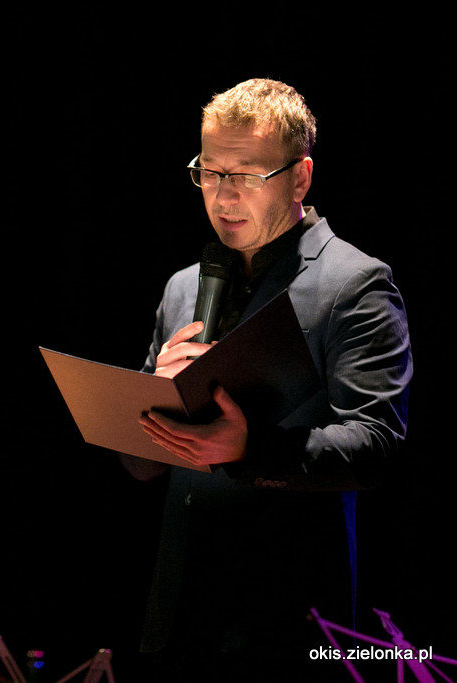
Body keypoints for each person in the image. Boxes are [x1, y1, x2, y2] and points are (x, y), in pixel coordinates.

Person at [119, 78, 412, 681]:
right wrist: (153, 404)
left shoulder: (354, 284)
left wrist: (248, 448)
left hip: (289, 618)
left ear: (300, 178)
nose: (223, 196)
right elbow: (141, 466)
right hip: (179, 618)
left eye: (247, 175)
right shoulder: (183, 287)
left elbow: (376, 445)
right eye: (210, 172)